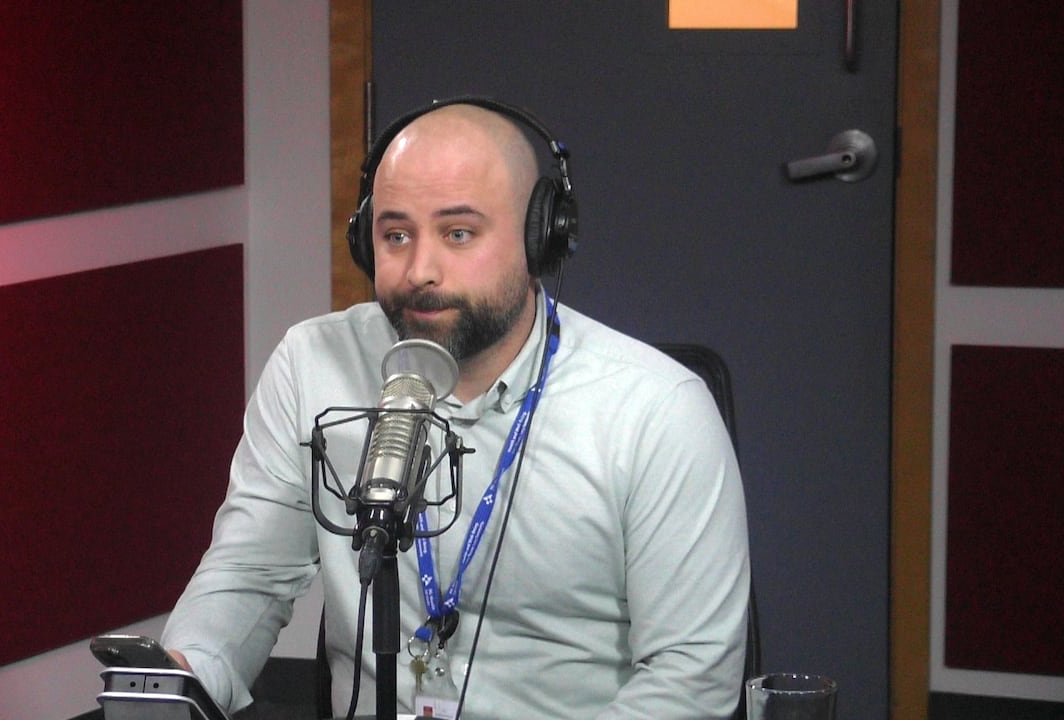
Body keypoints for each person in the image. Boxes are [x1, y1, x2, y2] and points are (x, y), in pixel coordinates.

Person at [161, 98, 751, 720]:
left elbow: (690, 679)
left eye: (458, 234)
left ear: (539, 239)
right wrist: (180, 680)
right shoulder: (312, 364)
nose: (421, 270)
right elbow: (250, 574)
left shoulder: (656, 410)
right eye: (396, 236)